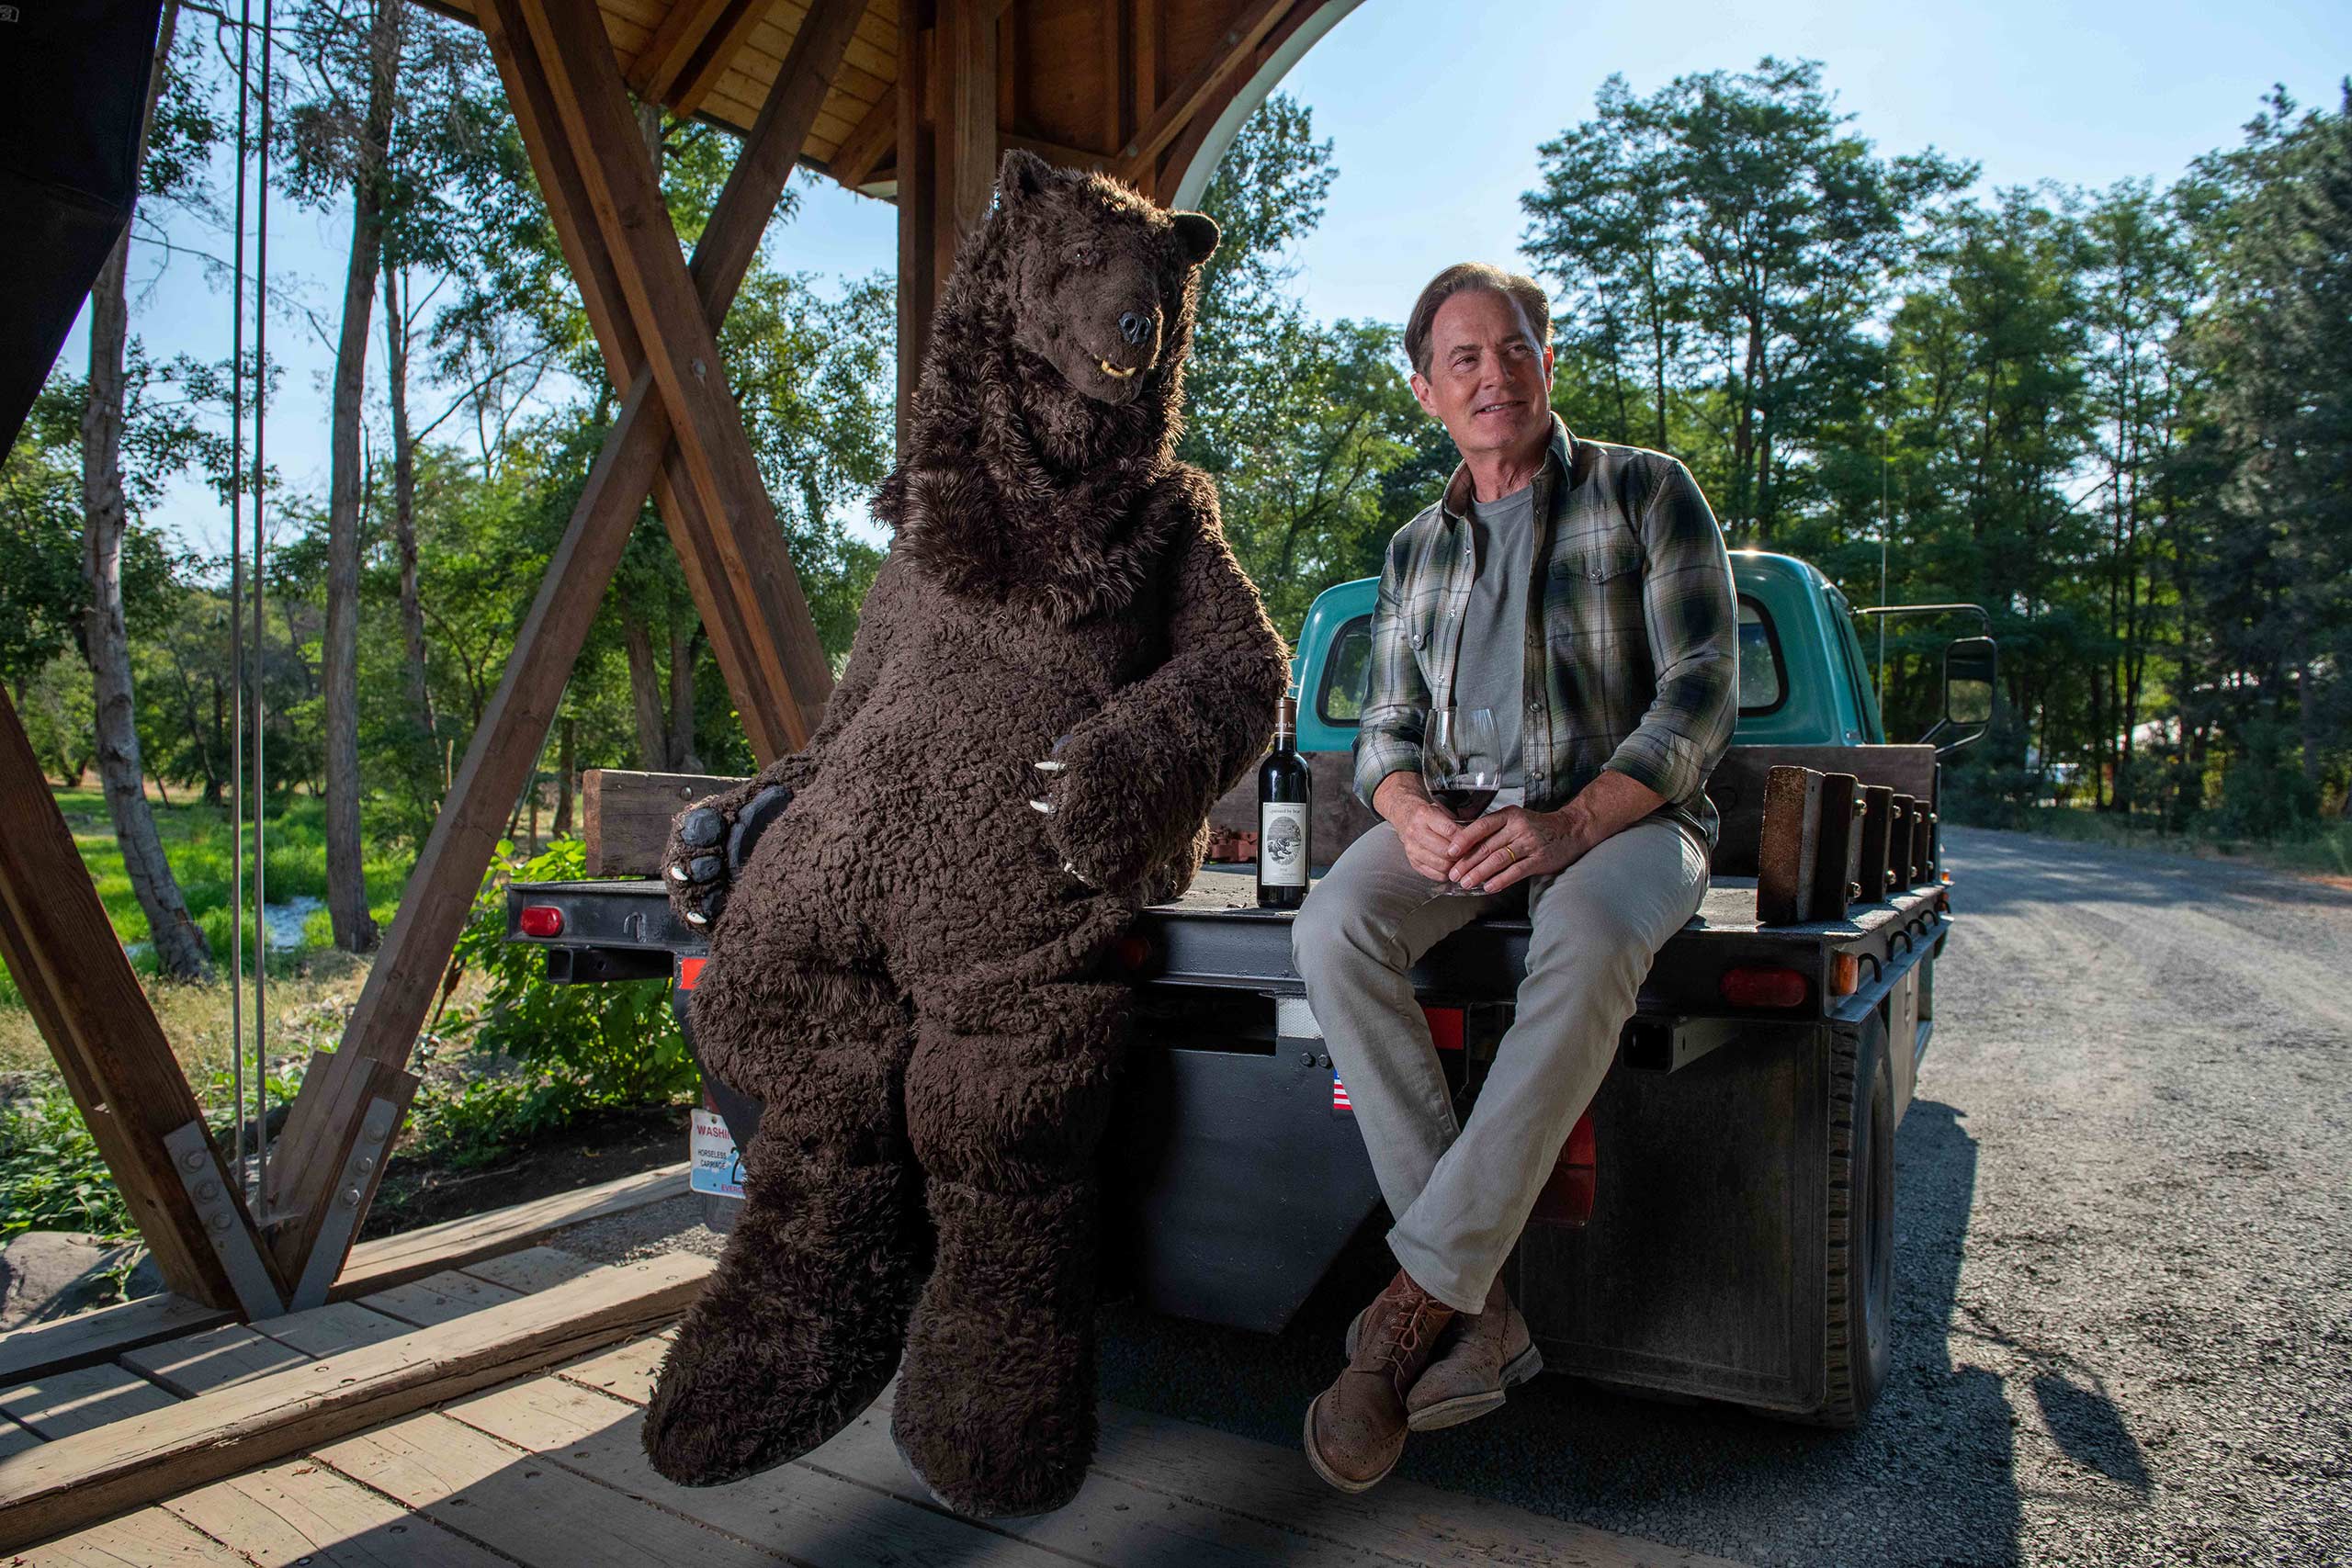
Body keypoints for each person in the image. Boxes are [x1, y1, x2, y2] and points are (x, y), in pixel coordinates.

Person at [1294, 262, 1737, 1493]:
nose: (1493, 375)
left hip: (1634, 816)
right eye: (1464, 359)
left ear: (1549, 360)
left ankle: (1415, 1303)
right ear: (1428, 387)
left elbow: (1702, 689)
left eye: (1514, 348)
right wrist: (1403, 810)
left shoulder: (1648, 492)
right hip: (1465, 819)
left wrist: (1577, 821)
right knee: (1333, 928)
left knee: (1588, 940)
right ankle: (1478, 1304)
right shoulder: (1414, 548)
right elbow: (1382, 729)